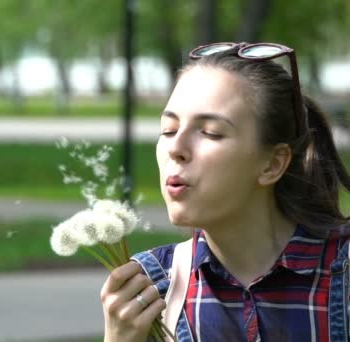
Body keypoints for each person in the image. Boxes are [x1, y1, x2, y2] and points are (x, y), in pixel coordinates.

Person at [100, 42, 350, 342]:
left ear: (272, 163)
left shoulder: (343, 274)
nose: (176, 149)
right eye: (168, 130)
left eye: (210, 132)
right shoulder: (149, 289)